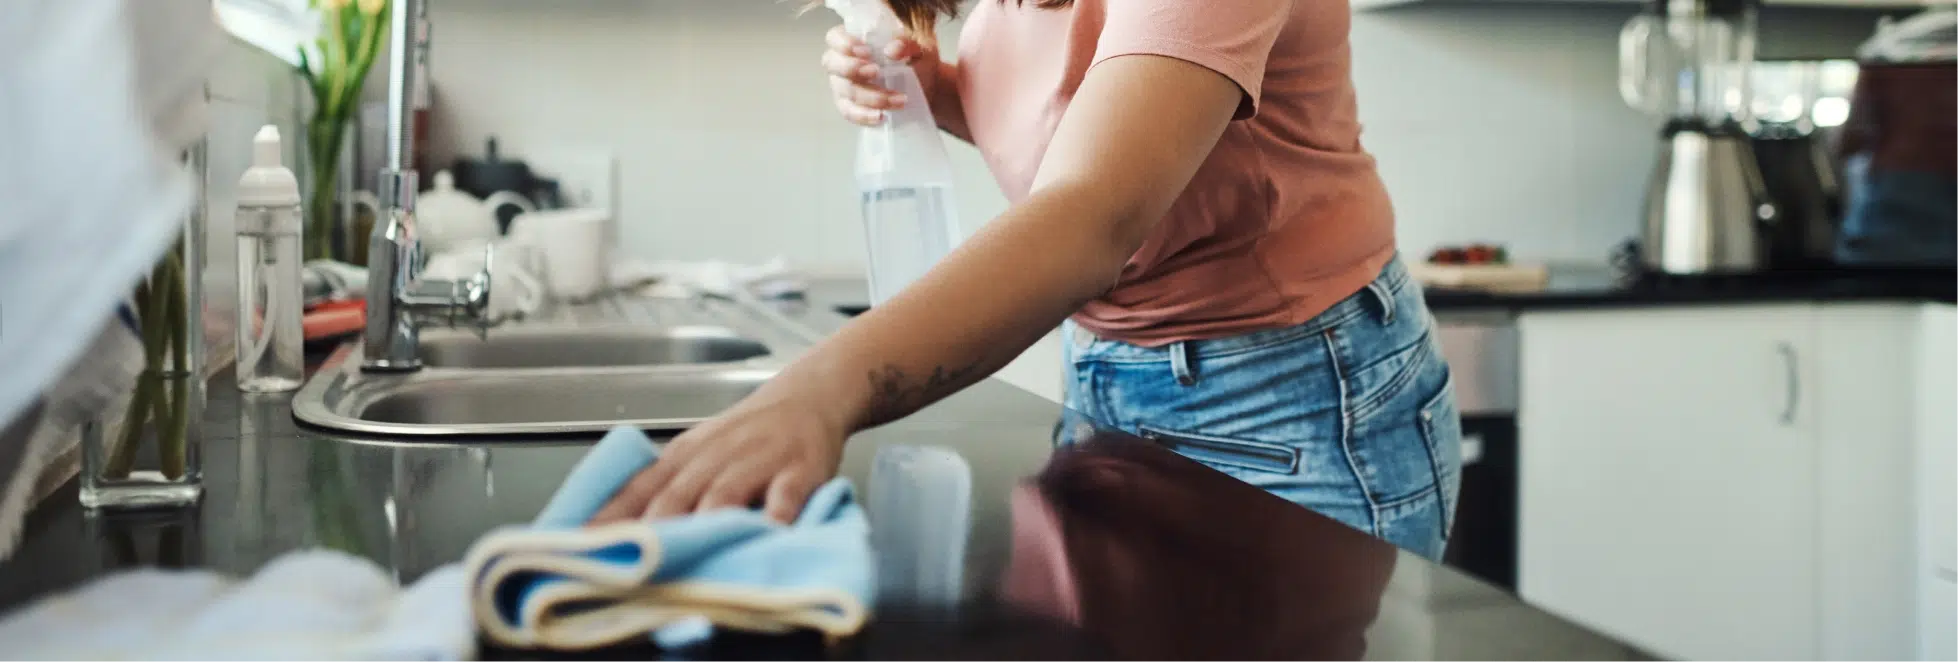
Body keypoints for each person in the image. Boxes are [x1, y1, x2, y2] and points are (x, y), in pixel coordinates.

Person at [593, 0, 1463, 558]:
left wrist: (817, 393)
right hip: (1108, 373)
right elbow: (1079, 127)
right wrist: (934, 89)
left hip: (1289, 393)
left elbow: (1095, 213)